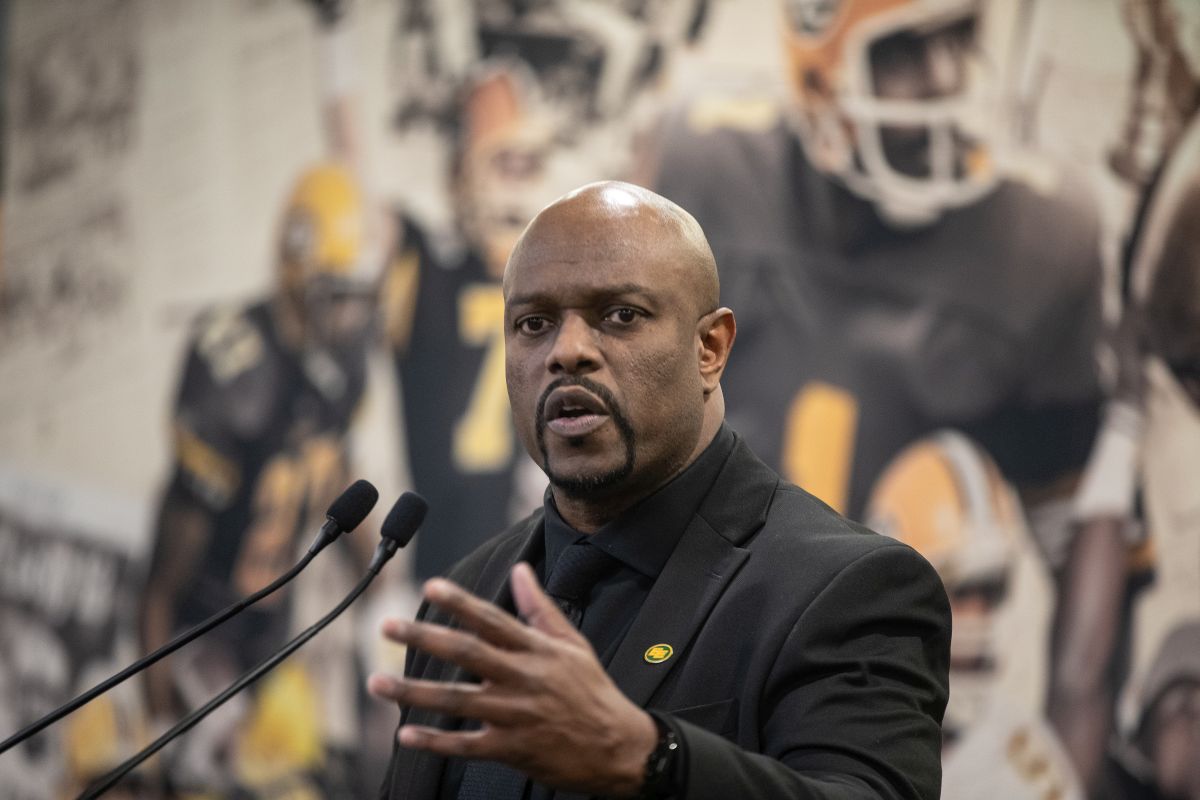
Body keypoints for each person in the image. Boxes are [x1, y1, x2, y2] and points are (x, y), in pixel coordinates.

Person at [370, 181, 951, 799]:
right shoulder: (464, 597)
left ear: (711, 348)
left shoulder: (846, 587)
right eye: (533, 323)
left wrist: (653, 759)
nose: (567, 352)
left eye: (620, 315)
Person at [866, 430, 1083, 799]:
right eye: (959, 591)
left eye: (989, 591)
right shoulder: (833, 726)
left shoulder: (1016, 754)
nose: (977, 615)